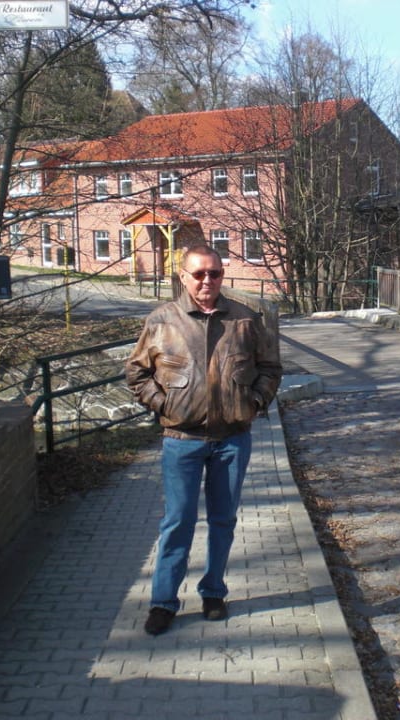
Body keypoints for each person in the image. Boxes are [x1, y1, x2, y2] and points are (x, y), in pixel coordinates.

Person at [126, 244, 282, 635]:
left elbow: (270, 367)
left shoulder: (245, 320)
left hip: (232, 439)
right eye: (199, 274)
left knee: (223, 520)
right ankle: (164, 602)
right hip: (182, 439)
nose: (207, 281)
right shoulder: (162, 321)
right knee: (177, 522)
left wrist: (257, 399)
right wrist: (163, 405)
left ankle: (213, 591)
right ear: (183, 276)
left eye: (214, 273)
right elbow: (136, 372)